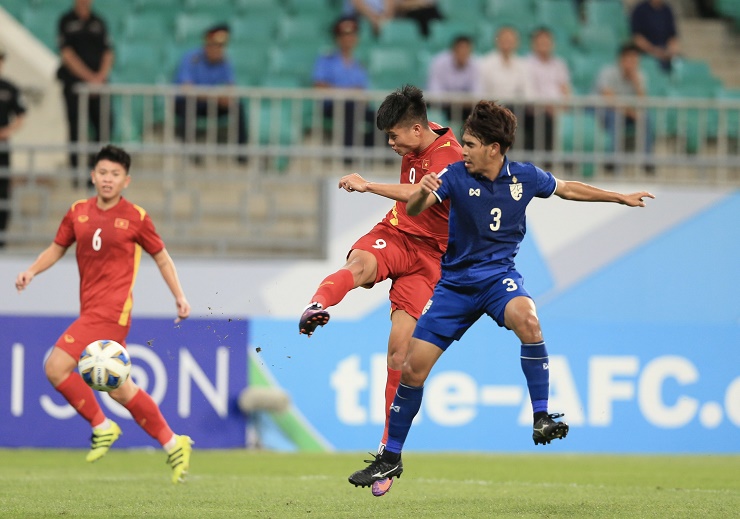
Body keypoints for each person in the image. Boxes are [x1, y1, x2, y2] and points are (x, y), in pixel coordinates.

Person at [347, 100, 655, 488]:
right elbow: (419, 205)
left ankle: (542, 416)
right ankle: (390, 458)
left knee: (528, 318)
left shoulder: (524, 177)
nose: (465, 150)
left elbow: (567, 189)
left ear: (494, 148)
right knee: (411, 368)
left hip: (497, 279)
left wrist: (618, 197)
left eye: (472, 144)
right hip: (455, 286)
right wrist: (424, 191)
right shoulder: (455, 174)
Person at [299, 85, 463, 497]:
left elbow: (422, 194)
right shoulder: (417, 141)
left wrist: (368, 185)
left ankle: (389, 456)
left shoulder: (450, 156)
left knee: (400, 354)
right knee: (358, 265)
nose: (391, 145)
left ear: (415, 128)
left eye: (394, 136)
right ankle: (317, 305)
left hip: (431, 261)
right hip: (395, 234)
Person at [15, 145, 194, 484]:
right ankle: (174, 444)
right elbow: (57, 248)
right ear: (92, 175)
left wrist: (180, 296)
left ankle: (102, 426)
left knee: (56, 367)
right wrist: (32, 271)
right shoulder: (77, 211)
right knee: (119, 389)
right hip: (91, 308)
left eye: (114, 174)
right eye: (102, 173)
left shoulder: (137, 217)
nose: (107, 179)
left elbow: (161, 257)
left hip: (112, 312)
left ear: (126, 180)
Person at [57, 0, 114, 179]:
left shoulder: (99, 21)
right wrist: (89, 78)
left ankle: (96, 169)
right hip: (74, 85)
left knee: (104, 125)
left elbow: (108, 52)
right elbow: (67, 54)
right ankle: (76, 173)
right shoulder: (66, 21)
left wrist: (99, 78)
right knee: (75, 127)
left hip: (98, 86)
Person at [174, 23, 247, 163]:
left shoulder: (224, 62)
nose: (218, 49)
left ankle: (241, 154)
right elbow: (186, 88)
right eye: (215, 45)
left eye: (221, 46)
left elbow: (230, 88)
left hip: (211, 103)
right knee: (187, 106)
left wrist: (224, 97)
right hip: (191, 102)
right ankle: (190, 153)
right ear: (207, 44)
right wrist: (214, 95)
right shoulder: (191, 58)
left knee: (237, 106)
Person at [313, 16, 375, 150]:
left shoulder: (359, 64)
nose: (349, 38)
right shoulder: (326, 59)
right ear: (338, 37)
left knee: (380, 118)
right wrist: (348, 92)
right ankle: (347, 157)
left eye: (352, 34)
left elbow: (362, 91)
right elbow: (320, 85)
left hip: (354, 105)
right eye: (345, 34)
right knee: (350, 111)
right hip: (332, 106)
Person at [594, 43, 655, 173]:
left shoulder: (640, 76)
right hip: (604, 111)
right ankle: (613, 160)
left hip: (628, 113)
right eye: (628, 59)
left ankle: (647, 160)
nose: (631, 64)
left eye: (634, 60)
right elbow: (608, 98)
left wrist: (637, 84)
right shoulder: (608, 72)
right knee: (616, 117)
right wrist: (630, 112)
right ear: (620, 60)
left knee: (646, 117)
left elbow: (643, 102)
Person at [524, 27, 571, 155]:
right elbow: (529, 92)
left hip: (558, 108)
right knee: (544, 120)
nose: (544, 45)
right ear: (533, 44)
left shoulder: (559, 64)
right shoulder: (527, 64)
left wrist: (562, 106)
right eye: (540, 42)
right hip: (537, 110)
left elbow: (565, 89)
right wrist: (546, 106)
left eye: (547, 42)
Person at [0, 44, 27, 248]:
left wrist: (6, 132)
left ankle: (1, 236)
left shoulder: (9, 89)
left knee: (3, 189)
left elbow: (20, 116)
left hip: (2, 147)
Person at [475, 26, 535, 113]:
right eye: (504, 39)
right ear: (497, 41)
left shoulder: (523, 65)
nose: (507, 43)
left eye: (510, 40)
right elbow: (480, 91)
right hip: (491, 110)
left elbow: (528, 92)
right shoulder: (485, 63)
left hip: (517, 110)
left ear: (517, 42)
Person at [426, 35, 478, 123]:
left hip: (465, 108)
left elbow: (477, 92)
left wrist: (462, 102)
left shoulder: (475, 64)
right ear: (454, 50)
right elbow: (435, 91)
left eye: (466, 50)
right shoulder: (439, 62)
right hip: (442, 106)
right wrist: (454, 101)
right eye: (461, 49)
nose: (463, 53)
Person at [630, 0, 679, 72]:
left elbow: (672, 36)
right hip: (646, 52)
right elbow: (637, 38)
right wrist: (654, 51)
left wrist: (671, 51)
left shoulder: (667, 10)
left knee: (679, 63)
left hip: (665, 51)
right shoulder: (640, 9)